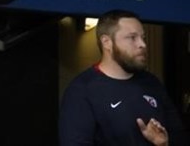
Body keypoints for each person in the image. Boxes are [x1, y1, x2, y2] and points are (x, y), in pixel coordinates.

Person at [60, 10, 187, 146]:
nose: (142, 44)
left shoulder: (151, 83)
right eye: (132, 37)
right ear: (107, 42)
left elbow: (179, 137)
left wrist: (164, 144)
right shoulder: (82, 90)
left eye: (142, 37)